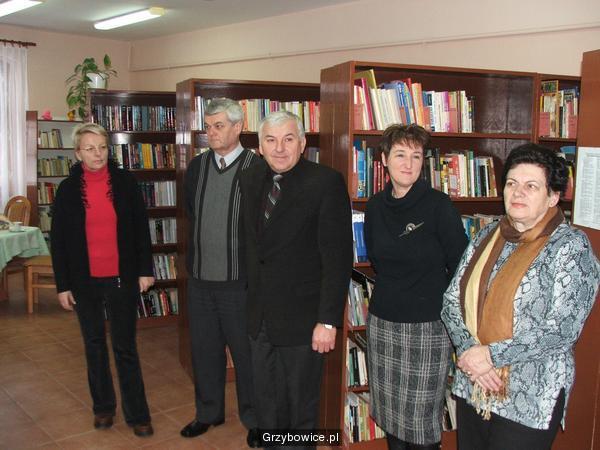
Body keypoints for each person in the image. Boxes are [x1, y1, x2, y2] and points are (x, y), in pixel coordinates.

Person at [441, 143, 600, 450]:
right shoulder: (487, 234)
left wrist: (490, 356)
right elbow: (451, 300)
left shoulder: (570, 247)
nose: (518, 193)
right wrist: (471, 350)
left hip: (530, 395)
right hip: (475, 384)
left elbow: (562, 329)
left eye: (531, 186)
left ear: (552, 197)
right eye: (512, 183)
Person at [239, 110, 353, 446]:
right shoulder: (249, 178)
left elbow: (337, 259)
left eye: (288, 139)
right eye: (271, 140)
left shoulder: (325, 183)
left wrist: (327, 321)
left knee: (300, 408)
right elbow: (251, 247)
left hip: (304, 321)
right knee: (266, 404)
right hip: (260, 318)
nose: (279, 148)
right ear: (260, 147)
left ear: (302, 144)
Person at [364, 124, 468, 450]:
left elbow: (462, 265)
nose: (408, 164)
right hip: (383, 323)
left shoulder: (438, 205)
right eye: (400, 155)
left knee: (421, 424)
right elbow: (378, 261)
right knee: (391, 417)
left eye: (416, 156)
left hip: (427, 327)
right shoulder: (375, 206)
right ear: (384, 159)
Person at [50, 123, 154, 437]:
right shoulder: (67, 190)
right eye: (90, 148)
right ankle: (103, 408)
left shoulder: (126, 183)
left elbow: (141, 229)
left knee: (125, 347)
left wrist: (145, 270)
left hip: (122, 277)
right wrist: (63, 285)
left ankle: (138, 415)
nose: (98, 154)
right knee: (94, 345)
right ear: (78, 153)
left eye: (102, 147)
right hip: (84, 281)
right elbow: (59, 242)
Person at [182, 98, 260, 445]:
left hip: (239, 285)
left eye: (219, 126)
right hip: (200, 282)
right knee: (204, 352)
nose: (211, 133)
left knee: (247, 356)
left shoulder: (257, 168)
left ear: (238, 127)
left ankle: (255, 420)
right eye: (208, 126)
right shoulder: (197, 167)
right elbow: (192, 213)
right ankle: (208, 413)